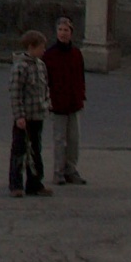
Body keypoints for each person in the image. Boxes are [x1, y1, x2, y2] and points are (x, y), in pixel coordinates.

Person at [43, 15, 87, 185]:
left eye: (66, 30)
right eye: (60, 30)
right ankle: (58, 171)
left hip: (74, 102)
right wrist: (47, 100)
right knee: (59, 140)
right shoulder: (50, 55)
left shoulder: (76, 54)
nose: (63, 33)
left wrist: (81, 96)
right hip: (57, 103)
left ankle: (71, 169)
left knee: (74, 140)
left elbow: (80, 77)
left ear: (71, 32)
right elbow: (45, 80)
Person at [9, 30, 52, 197]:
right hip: (24, 117)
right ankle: (16, 185)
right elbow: (15, 93)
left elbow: (45, 88)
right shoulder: (20, 67)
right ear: (31, 47)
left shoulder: (41, 66)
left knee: (35, 150)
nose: (43, 51)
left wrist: (47, 104)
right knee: (19, 151)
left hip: (37, 115)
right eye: (41, 47)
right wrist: (19, 115)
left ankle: (35, 183)